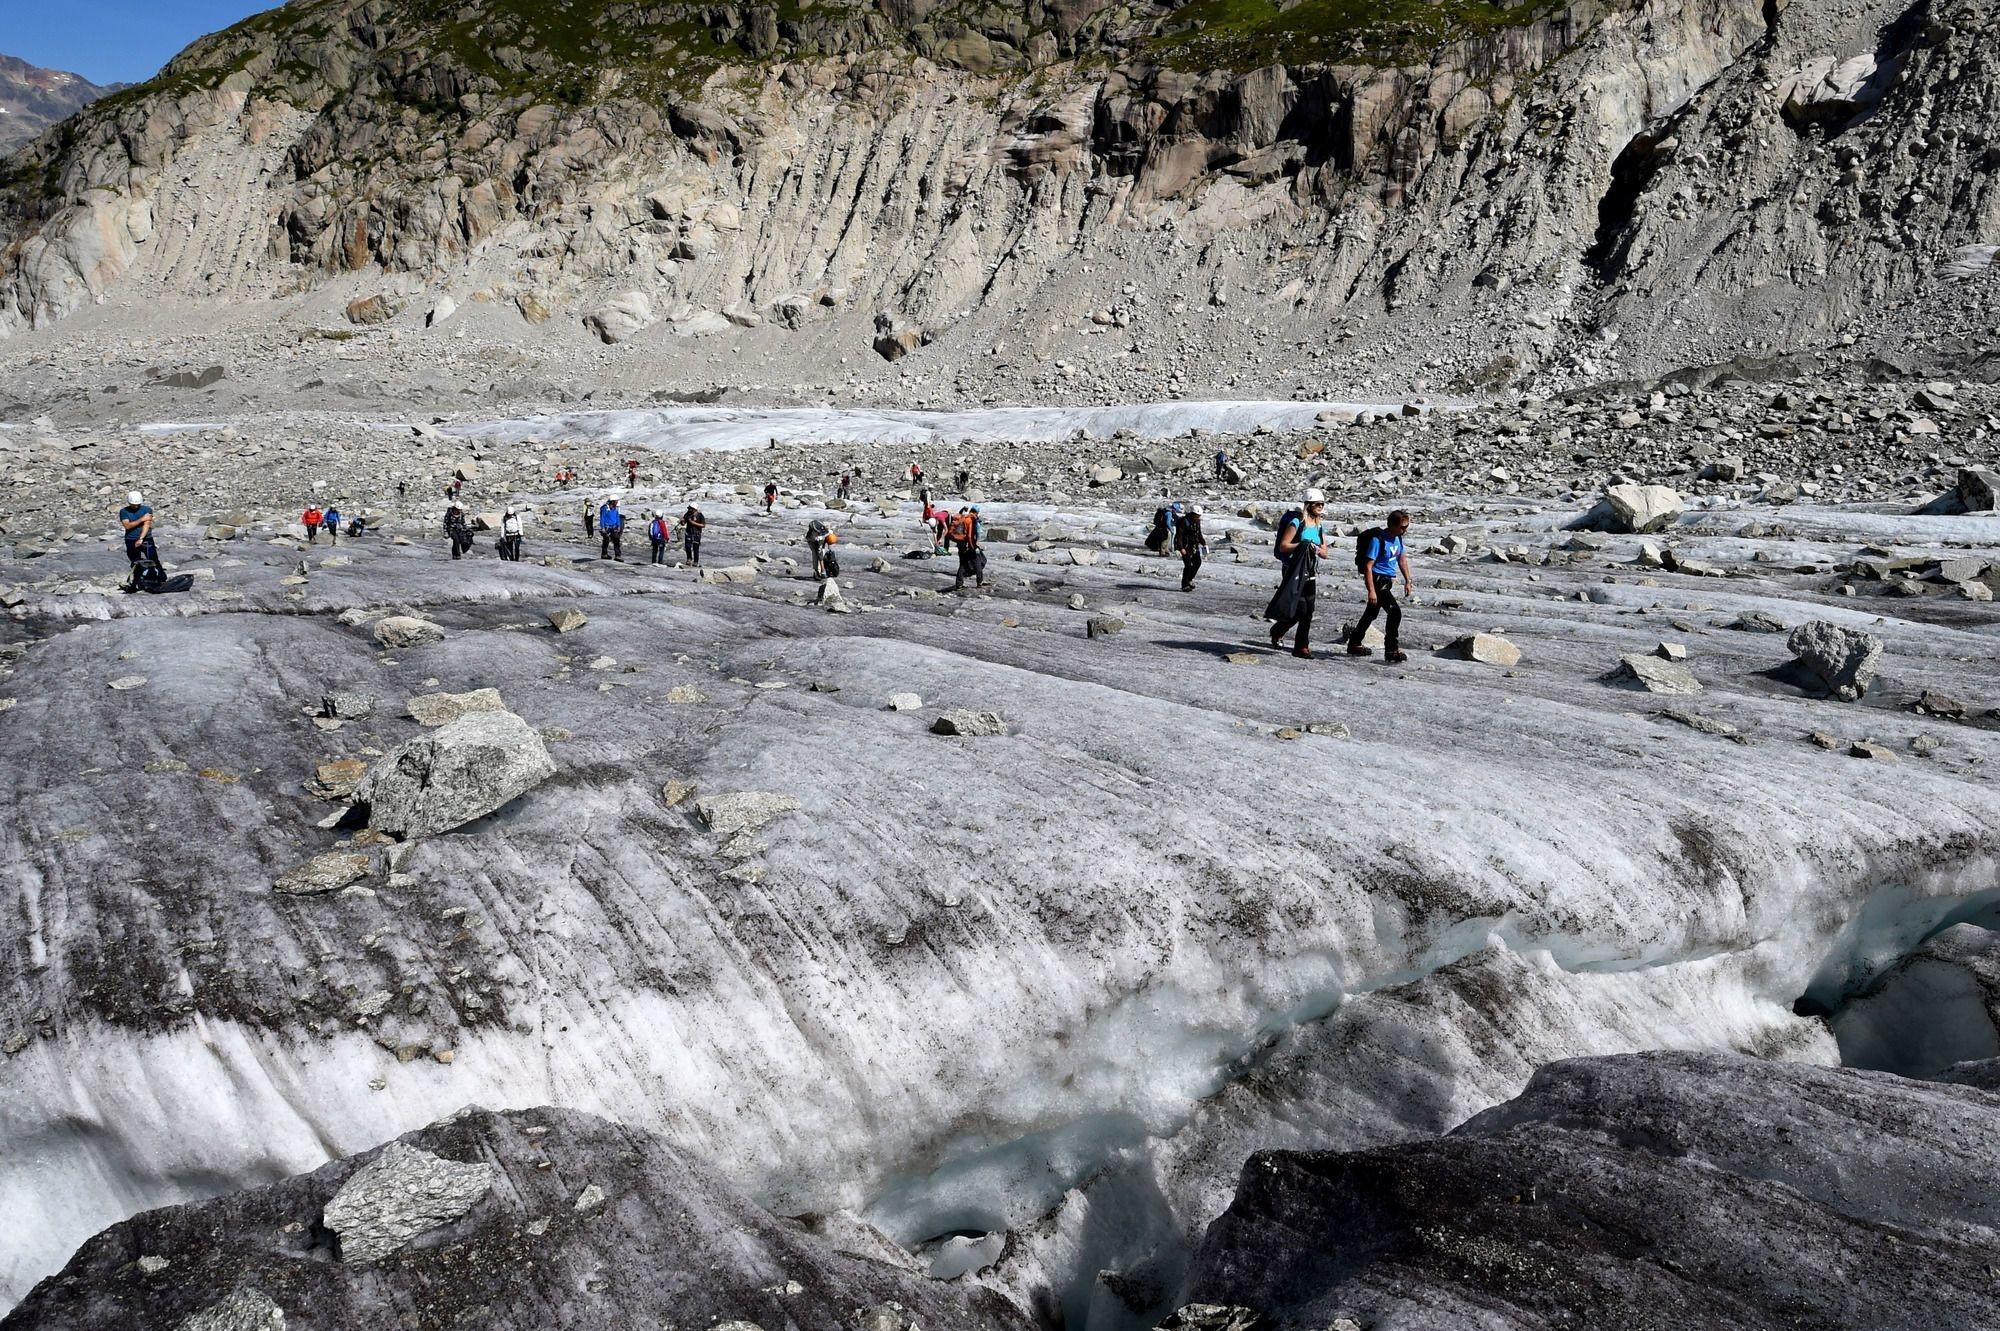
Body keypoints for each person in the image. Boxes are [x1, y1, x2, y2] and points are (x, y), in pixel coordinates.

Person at [1266, 489, 1329, 658]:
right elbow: (1284, 545)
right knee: (1301, 609)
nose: (1320, 507)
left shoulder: (1318, 524)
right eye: (1317, 504)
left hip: (1310, 571)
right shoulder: (1297, 521)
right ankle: (1301, 647)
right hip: (1294, 570)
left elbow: (1324, 552)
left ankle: (1279, 630)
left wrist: (1313, 548)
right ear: (1308, 505)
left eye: (1322, 504)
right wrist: (1303, 544)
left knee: (1308, 610)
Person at [1348, 510, 1414, 663]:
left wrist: (1408, 581)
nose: (1405, 530)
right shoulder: (1378, 540)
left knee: (1371, 613)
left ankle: (1354, 643)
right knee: (1394, 612)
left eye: (1406, 526)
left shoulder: (1398, 539)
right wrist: (1371, 590)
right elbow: (1368, 566)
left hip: (1387, 580)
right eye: (1402, 527)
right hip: (1377, 581)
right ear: (1392, 525)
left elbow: (1402, 560)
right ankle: (1391, 650)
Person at [118, 491, 158, 591]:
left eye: (137, 505)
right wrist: (141, 519)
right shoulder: (124, 511)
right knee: (135, 561)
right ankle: (135, 582)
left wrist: (141, 539)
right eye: (133, 505)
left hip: (146, 539)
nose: (135, 506)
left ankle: (159, 579)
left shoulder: (147, 509)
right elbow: (127, 525)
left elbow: (147, 524)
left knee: (153, 559)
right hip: (130, 539)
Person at [951, 506, 984, 592]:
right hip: (968, 545)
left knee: (962, 564)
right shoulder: (971, 520)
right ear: (977, 513)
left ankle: (959, 584)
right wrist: (973, 546)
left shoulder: (963, 517)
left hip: (960, 544)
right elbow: (969, 536)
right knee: (977, 562)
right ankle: (979, 582)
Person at [1176, 504, 1207, 592]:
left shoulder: (1197, 522)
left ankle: (1189, 579)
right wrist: (1181, 548)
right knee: (1188, 565)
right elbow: (1179, 536)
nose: (1198, 517)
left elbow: (1199, 533)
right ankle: (1184, 585)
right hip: (1186, 547)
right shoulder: (1184, 521)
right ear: (1193, 514)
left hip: (1194, 546)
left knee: (1198, 562)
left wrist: (1203, 543)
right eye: (1197, 516)